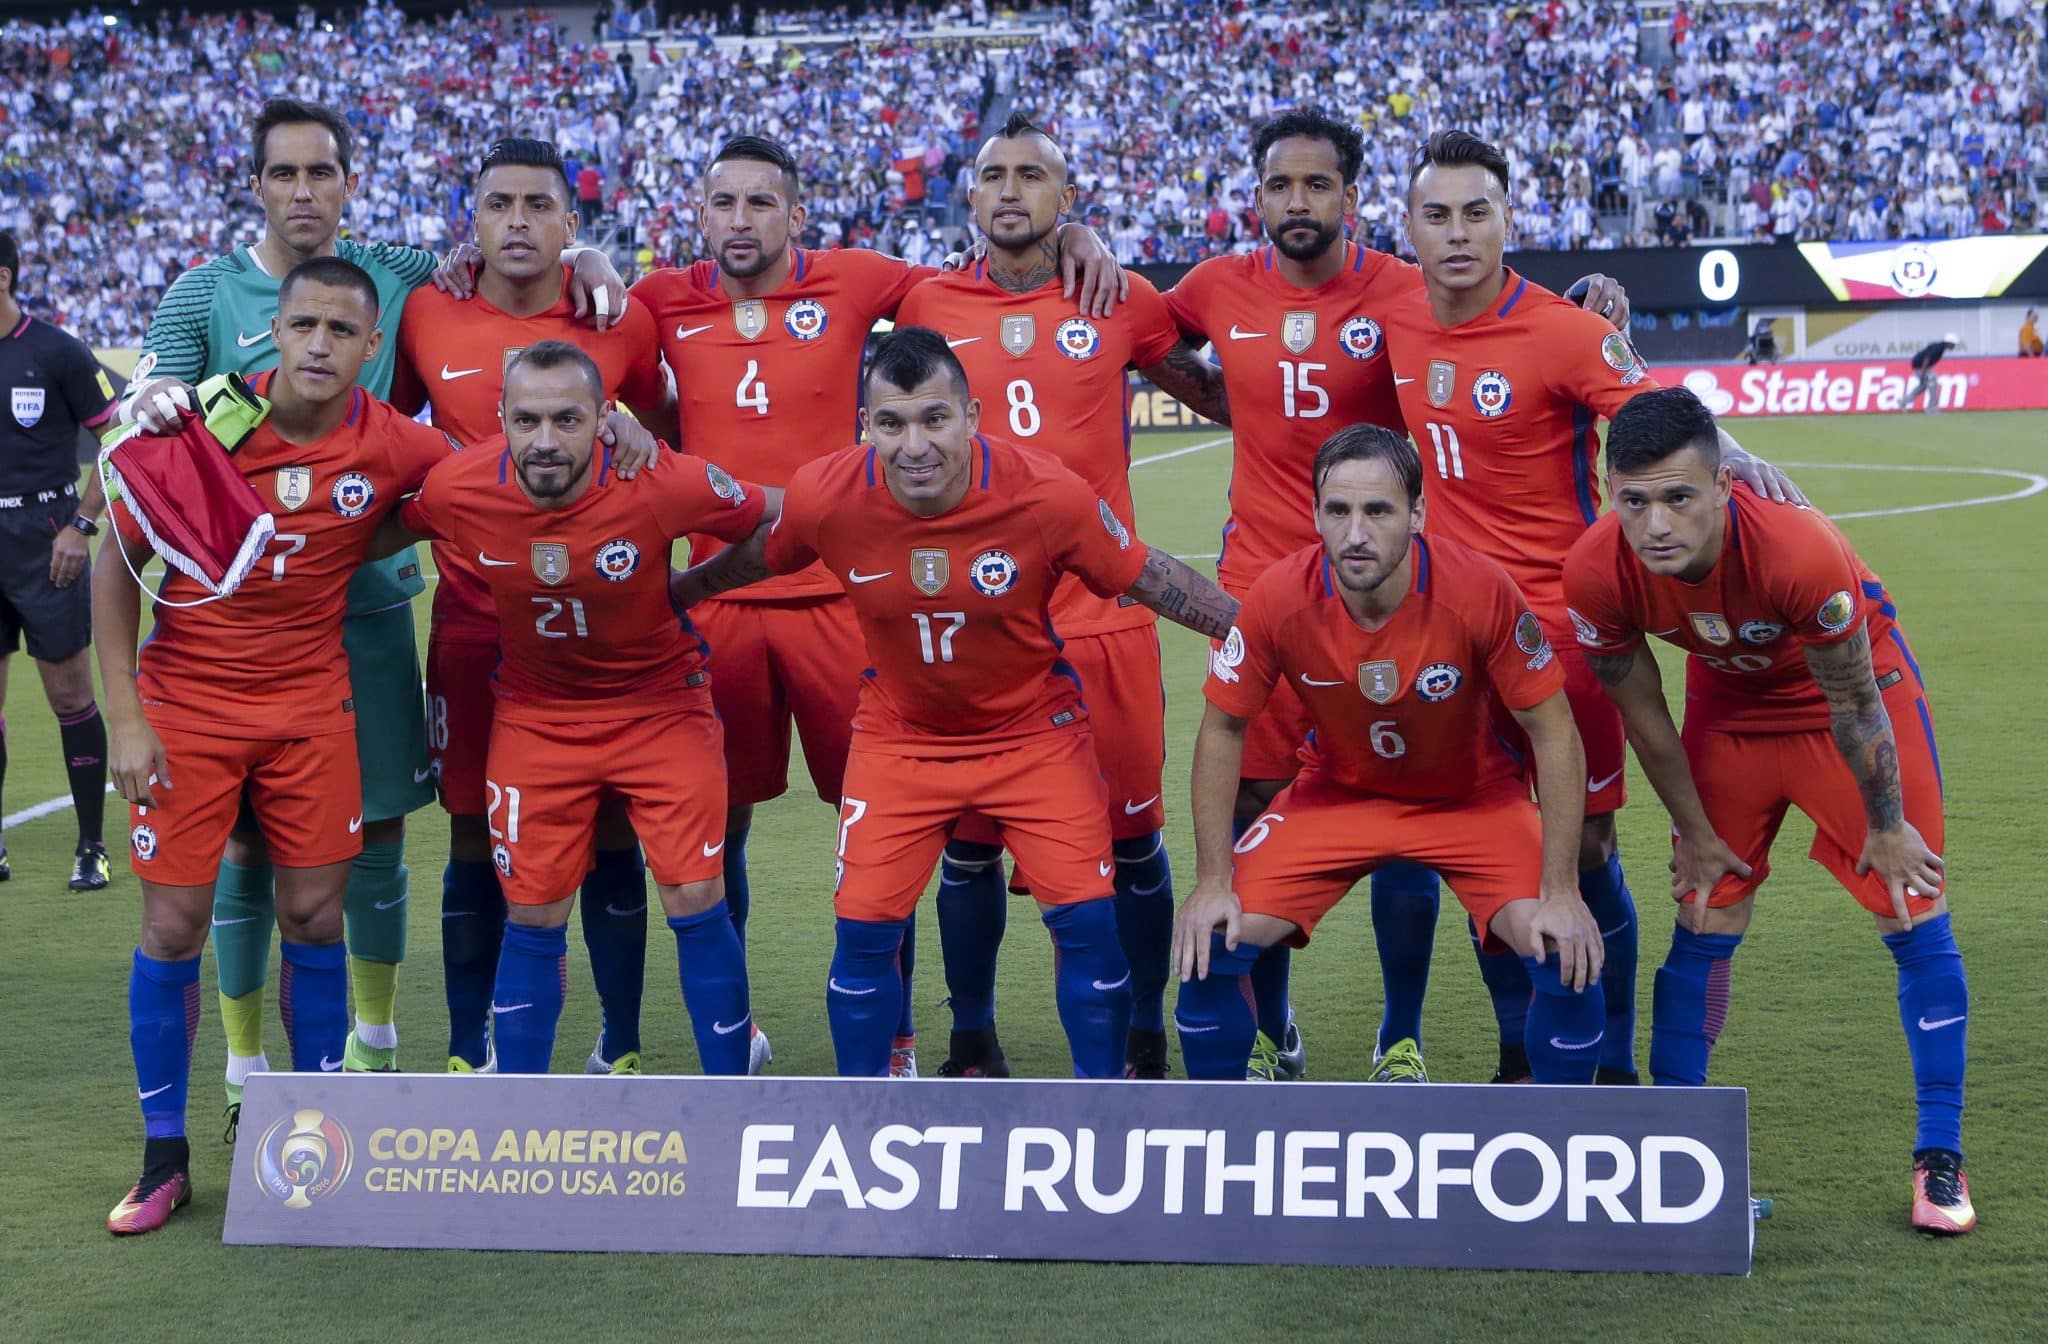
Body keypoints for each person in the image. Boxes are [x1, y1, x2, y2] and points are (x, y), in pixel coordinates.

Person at [117, 97, 627, 1120]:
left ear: (350, 184)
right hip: (228, 624)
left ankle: (374, 1041)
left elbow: (505, 253)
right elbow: (154, 419)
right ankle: (243, 1061)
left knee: (377, 832)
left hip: (364, 602)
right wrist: (151, 405)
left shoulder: (395, 275)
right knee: (242, 850)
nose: (303, 192)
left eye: (322, 174)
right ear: (254, 185)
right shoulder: (200, 294)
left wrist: (596, 258)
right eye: (283, 175)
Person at [629, 134, 1120, 1077]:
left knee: (893, 837)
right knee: (715, 824)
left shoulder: (861, 280)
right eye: (722, 203)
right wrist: (585, 257)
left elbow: (991, 265)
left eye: (761, 203)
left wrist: (1077, 235)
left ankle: (896, 1040)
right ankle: (737, 1033)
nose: (741, 220)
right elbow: (600, 369)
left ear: (795, 214)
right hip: (725, 602)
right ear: (696, 214)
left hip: (845, 601)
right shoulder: (657, 300)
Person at [1163, 109, 1631, 1081]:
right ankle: (1268, 1034)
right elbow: (1130, 332)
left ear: (1352, 200)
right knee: (1270, 797)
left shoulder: (1404, 292)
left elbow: (1525, 319)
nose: (1299, 201)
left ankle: (1435, 1038)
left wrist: (1594, 312)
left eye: (1318, 185)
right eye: (1280, 186)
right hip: (1278, 593)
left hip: (1462, 611)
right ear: (1256, 197)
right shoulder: (1219, 288)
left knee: (1556, 840)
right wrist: (1076, 245)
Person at [669, 328, 1239, 1078]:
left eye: (934, 419)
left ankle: (1105, 1112)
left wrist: (1255, 629)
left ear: (972, 415)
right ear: (865, 426)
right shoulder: (827, 494)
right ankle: (863, 1116)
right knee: (864, 930)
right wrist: (674, 596)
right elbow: (757, 559)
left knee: (1088, 925)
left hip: (1033, 731)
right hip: (900, 738)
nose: (914, 445)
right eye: (892, 424)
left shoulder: (1047, 493)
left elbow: (1144, 573)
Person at [1373, 129, 1802, 1086]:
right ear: (1407, 230)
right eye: (1436, 215)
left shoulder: (1564, 332)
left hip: (1566, 632)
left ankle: (1609, 1065)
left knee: (1592, 841)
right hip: (1453, 630)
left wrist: (1736, 457)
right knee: (1488, 844)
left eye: (1476, 212)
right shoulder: (1397, 319)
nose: (1456, 233)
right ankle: (1523, 1055)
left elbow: (1662, 424)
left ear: (1508, 220)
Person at [97, 258, 455, 1234]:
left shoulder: (393, 442)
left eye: (342, 331)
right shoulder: (210, 415)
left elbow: (483, 479)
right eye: (303, 325)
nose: (319, 345)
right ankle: (163, 1158)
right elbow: (118, 557)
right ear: (274, 332)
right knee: (171, 927)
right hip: (188, 708)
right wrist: (125, 718)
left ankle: (310, 1139)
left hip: (309, 708)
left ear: (370, 349)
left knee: (312, 914)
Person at [1564, 387, 1973, 1236]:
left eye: (1679, 498)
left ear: (1726, 487)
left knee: (1912, 903)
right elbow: (1647, 718)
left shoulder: (1795, 547)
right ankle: (1673, 1157)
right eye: (1633, 502)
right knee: (1704, 907)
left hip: (1852, 703)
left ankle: (1940, 1158)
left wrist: (1888, 828)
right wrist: (1697, 834)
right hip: (1731, 712)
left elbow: (1856, 704)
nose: (1656, 525)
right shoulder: (1595, 571)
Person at [894, 114, 1229, 1080]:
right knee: (969, 845)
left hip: (1104, 618)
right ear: (967, 197)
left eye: (1032, 176)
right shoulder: (924, 299)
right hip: (973, 624)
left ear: (1067, 199)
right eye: (992, 174)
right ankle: (971, 1038)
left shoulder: (1119, 298)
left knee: (1134, 837)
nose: (1009, 190)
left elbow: (1209, 384)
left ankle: (1143, 1034)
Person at [1172, 425, 1604, 1083]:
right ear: (1315, 514)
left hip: (1472, 800)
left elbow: (1554, 731)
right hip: (1338, 795)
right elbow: (1223, 729)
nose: (1355, 533)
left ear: (1418, 513)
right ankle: (1222, 1152)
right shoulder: (1280, 596)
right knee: (1208, 945)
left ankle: (1566, 1155)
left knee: (1562, 948)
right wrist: (1210, 882)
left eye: (1378, 510)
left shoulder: (1479, 590)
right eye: (1338, 511)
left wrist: (1563, 887)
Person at [382, 341, 763, 1076]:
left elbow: (774, 517)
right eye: (527, 420)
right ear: (501, 419)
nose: (547, 440)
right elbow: (375, 533)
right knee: (531, 910)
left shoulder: (658, 478)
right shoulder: (462, 485)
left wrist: (696, 585)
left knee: (695, 892)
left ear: (604, 421)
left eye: (568, 419)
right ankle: (522, 1108)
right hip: (535, 717)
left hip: (660, 710)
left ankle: (732, 1097)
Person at [391, 138, 670, 1077]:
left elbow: (669, 443)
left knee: (612, 827)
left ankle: (620, 1045)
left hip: (607, 627)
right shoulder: (427, 310)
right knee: (475, 829)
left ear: (570, 223)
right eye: (498, 203)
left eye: (537, 206)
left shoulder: (618, 316)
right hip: (477, 623)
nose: (517, 220)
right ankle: (473, 1054)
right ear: (472, 218)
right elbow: (387, 434)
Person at [0, 230, 118, 888]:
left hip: (46, 539)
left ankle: (91, 845)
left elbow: (116, 440)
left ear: (3, 277)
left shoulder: (56, 351)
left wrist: (81, 524)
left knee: (70, 696)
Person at [1901, 334, 1958, 412]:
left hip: (1920, 366)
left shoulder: (1940, 347)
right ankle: (1931, 408)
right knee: (1933, 384)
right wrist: (1922, 373)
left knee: (1923, 386)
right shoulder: (1938, 348)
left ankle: (1903, 402)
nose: (1954, 346)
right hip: (1921, 367)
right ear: (1949, 343)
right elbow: (1927, 359)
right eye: (1953, 344)